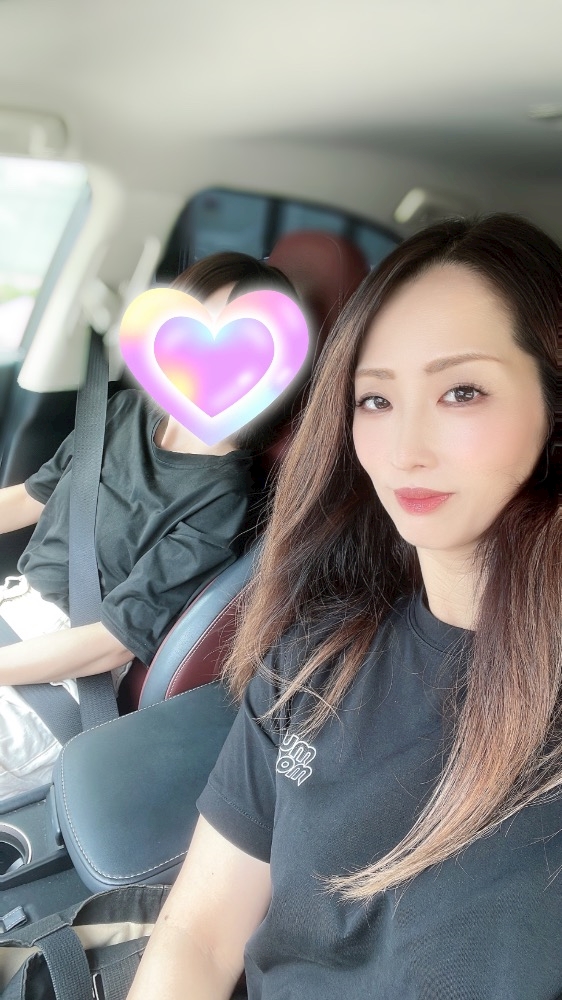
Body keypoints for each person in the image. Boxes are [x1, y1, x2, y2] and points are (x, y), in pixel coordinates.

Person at [128, 214, 562, 1000]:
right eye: (375, 399)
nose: (404, 452)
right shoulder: (317, 650)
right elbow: (200, 933)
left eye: (461, 392)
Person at [0, 251, 301, 800]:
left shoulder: (223, 499)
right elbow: (29, 498)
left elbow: (111, 644)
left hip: (59, 669)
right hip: (13, 608)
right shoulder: (121, 414)